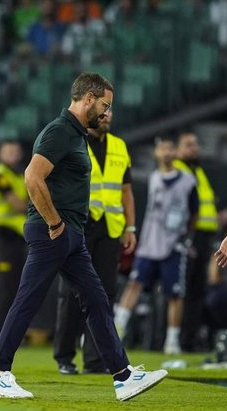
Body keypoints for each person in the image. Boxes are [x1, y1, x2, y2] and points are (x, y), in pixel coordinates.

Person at [0, 72, 167, 400]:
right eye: (105, 105)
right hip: (54, 232)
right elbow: (32, 177)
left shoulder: (76, 134)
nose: (107, 112)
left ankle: (123, 376)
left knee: (97, 299)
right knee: (28, 300)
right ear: (88, 99)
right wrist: (54, 224)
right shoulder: (59, 131)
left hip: (71, 235)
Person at [53, 104, 137, 375]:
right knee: (71, 292)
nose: (108, 115)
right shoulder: (73, 141)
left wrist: (131, 227)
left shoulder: (120, 147)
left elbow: (126, 190)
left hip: (110, 227)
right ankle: (64, 356)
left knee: (104, 293)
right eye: (103, 112)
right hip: (80, 223)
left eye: (110, 112)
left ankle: (95, 359)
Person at [114, 138, 198, 354]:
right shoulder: (152, 178)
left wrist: (186, 238)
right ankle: (118, 327)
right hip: (150, 244)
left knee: (174, 294)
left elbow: (194, 212)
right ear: (156, 153)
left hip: (173, 245)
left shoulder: (188, 181)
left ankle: (172, 340)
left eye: (170, 148)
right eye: (163, 148)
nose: (167, 153)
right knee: (134, 284)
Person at [174, 132, 218, 351]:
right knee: (183, 290)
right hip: (188, 236)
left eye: (195, 144)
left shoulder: (197, 170)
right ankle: (178, 339)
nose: (194, 148)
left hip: (204, 236)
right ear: (178, 149)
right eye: (188, 145)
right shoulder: (177, 170)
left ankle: (190, 339)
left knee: (198, 290)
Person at [0, 139, 28, 341]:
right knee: (5, 285)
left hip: (18, 236)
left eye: (15, 151)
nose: (12, 154)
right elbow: (18, 204)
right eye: (8, 151)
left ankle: (10, 332)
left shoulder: (17, 174)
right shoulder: (0, 175)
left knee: (16, 285)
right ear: (0, 153)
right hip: (3, 235)